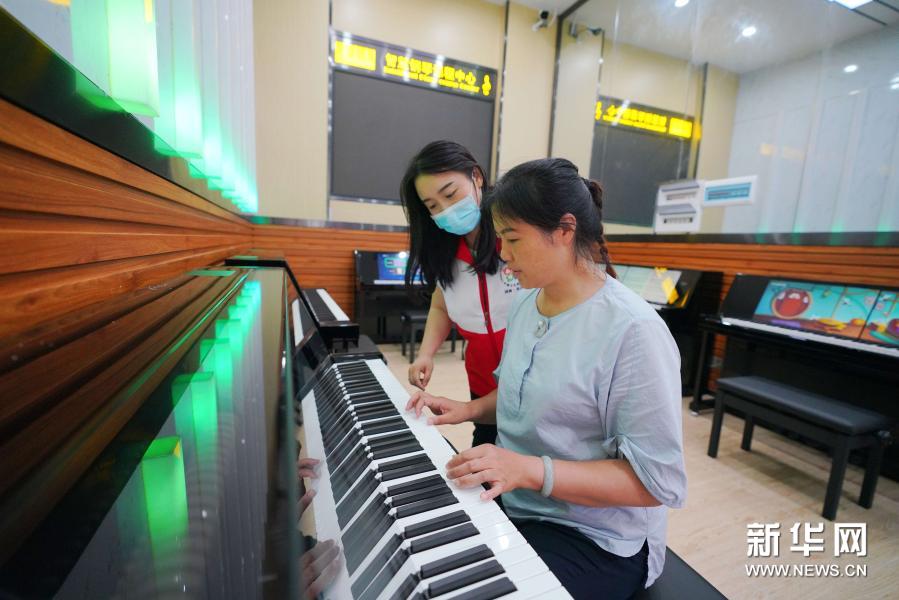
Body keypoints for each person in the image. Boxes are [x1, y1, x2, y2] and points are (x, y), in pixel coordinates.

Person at [406, 158, 687, 599]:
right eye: (499, 238)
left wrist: (529, 470)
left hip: (595, 537)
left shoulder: (634, 332)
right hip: (521, 502)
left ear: (565, 230)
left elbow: (656, 483)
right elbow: (520, 393)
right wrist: (469, 409)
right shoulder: (526, 303)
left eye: (513, 238)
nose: (503, 253)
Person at [400, 140, 520, 447]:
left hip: (530, 375)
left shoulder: (514, 234)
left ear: (476, 177)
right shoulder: (444, 248)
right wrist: (425, 354)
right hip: (482, 377)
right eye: (432, 206)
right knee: (485, 445)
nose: (445, 210)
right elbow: (441, 306)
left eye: (450, 194)